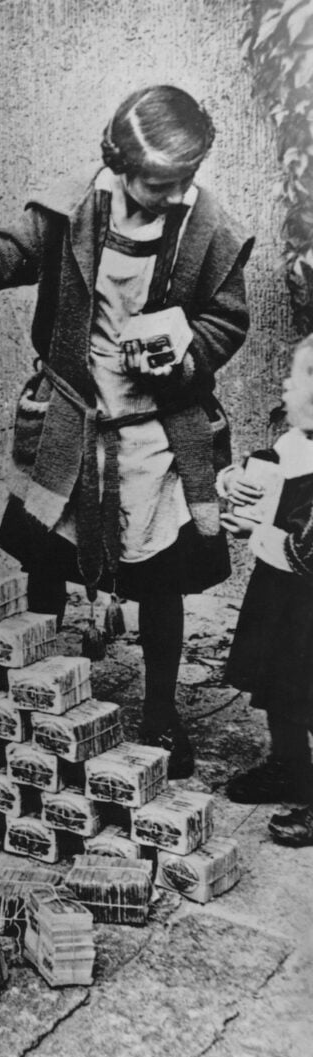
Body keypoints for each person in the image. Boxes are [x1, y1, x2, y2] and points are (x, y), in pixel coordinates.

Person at [0, 85, 253, 779]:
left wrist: (183, 353)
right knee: (46, 561)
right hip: (72, 421)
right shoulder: (72, 208)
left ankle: (161, 714)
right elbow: (6, 255)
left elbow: (227, 320)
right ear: (116, 161)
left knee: (160, 581)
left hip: (157, 433)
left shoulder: (209, 230)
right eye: (155, 183)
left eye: (183, 182)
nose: (169, 196)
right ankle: (39, 697)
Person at [220, 335, 313, 844]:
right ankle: (290, 764)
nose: (284, 383)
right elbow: (265, 470)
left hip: (308, 595)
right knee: (280, 682)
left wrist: (252, 531)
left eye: (297, 377)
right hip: (282, 597)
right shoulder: (295, 441)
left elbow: (308, 550)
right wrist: (235, 482)